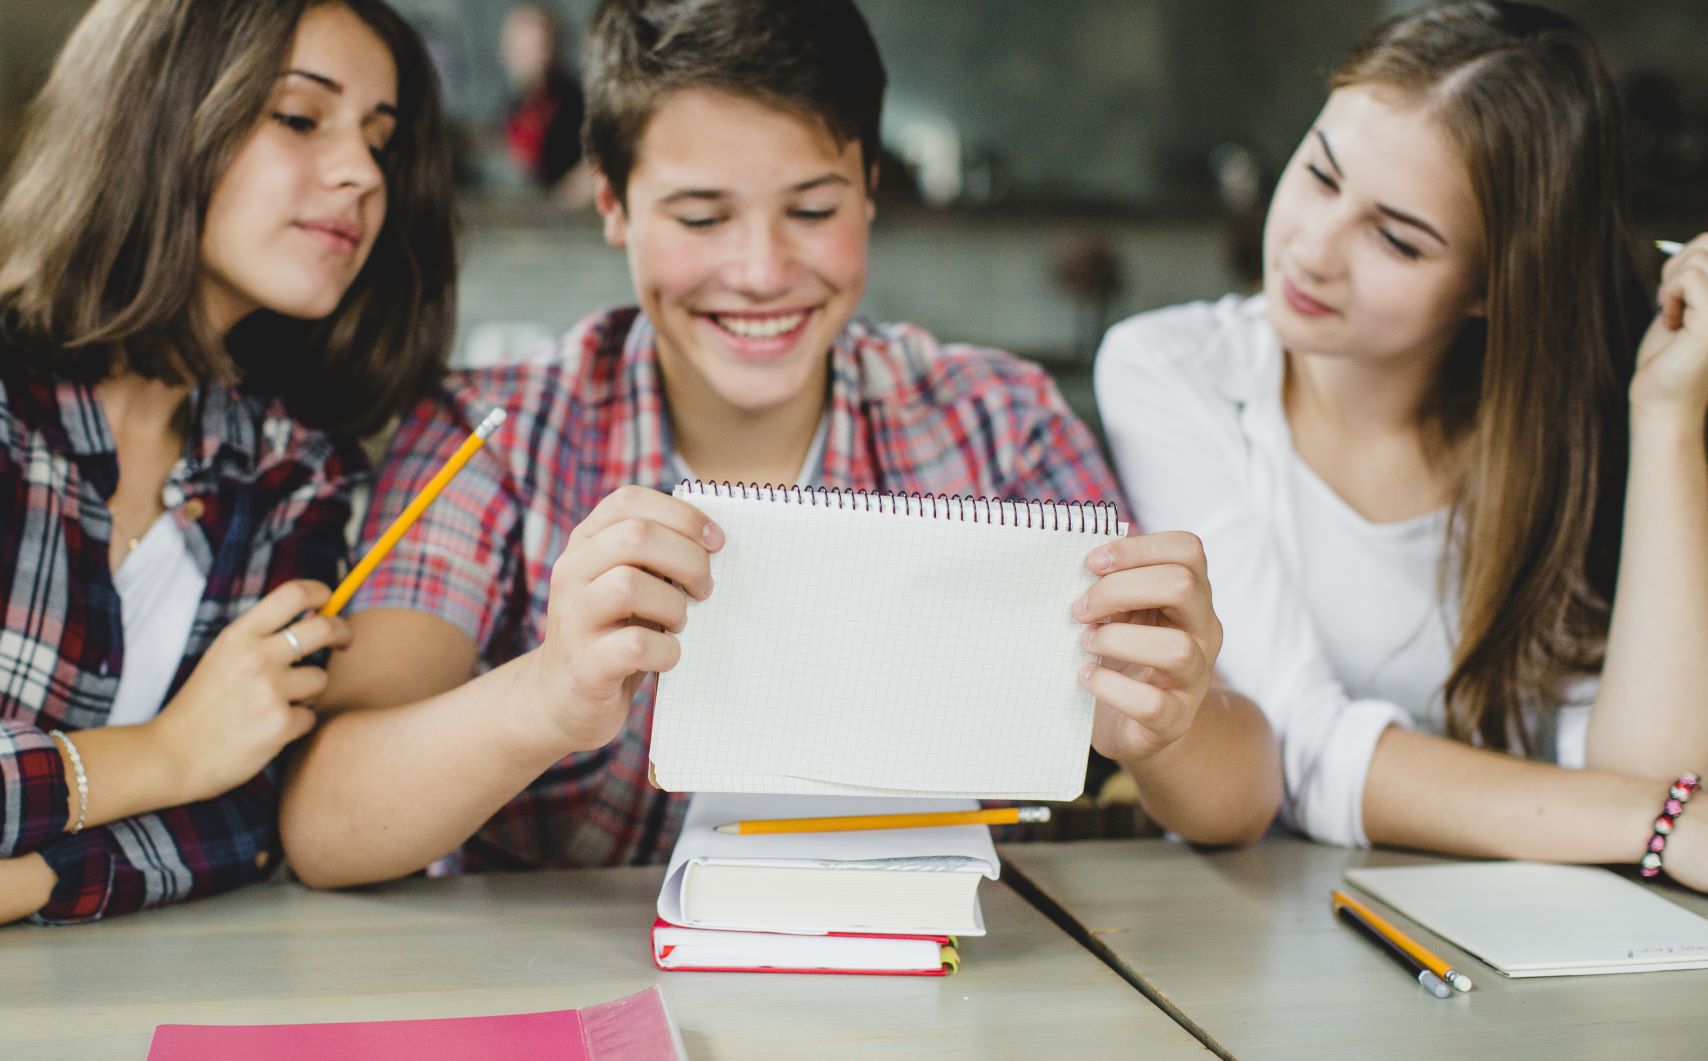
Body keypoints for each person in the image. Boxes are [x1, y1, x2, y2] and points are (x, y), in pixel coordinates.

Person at [280, 0, 1283, 889]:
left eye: (812, 209)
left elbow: (1240, 796)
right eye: (701, 215)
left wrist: (1167, 720)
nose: (760, 270)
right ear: (612, 203)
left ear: (870, 190)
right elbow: (326, 821)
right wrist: (547, 693)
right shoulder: (495, 437)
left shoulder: (996, 420)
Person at [0, 0, 456, 965]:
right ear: (161, 113)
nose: (363, 175)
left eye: (380, 139)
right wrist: (164, 756)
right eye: (299, 116)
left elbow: (247, 818)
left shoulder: (295, 471)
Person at [1093, 1, 1708, 888]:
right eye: (1320, 173)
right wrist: (1661, 821)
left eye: (1395, 237)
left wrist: (1664, 418)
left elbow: (1656, 774)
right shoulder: (1174, 370)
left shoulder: (1561, 428)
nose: (1312, 248)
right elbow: (1293, 746)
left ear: (1493, 286)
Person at [498, 4, 587, 192]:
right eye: (522, 49)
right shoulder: (511, 110)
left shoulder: (580, 109)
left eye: (540, 48)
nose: (535, 60)